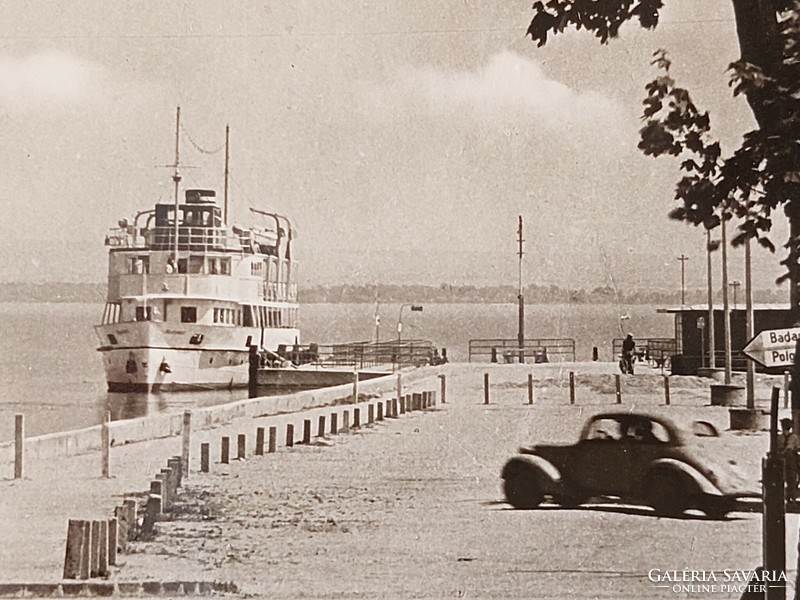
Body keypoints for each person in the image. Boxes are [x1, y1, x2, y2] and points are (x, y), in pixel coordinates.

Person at [778, 418, 800, 502]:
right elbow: (797, 448)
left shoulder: (779, 437)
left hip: (783, 459)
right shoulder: (794, 437)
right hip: (791, 460)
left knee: (785, 477)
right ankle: (792, 496)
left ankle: (787, 496)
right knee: (792, 478)